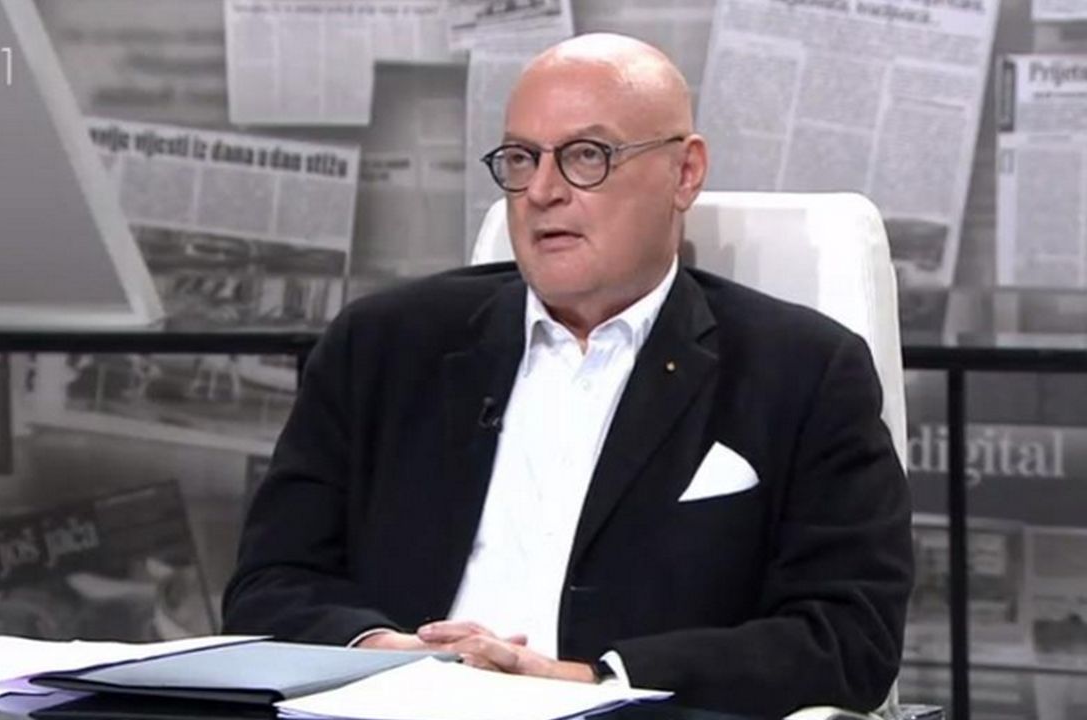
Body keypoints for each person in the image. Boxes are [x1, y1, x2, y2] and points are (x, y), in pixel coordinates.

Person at [222, 33, 912, 717]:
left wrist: (589, 682)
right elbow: (271, 584)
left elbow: (847, 639)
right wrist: (385, 652)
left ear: (685, 173)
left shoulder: (803, 372)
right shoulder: (381, 346)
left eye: (587, 156)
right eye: (521, 158)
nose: (542, 191)